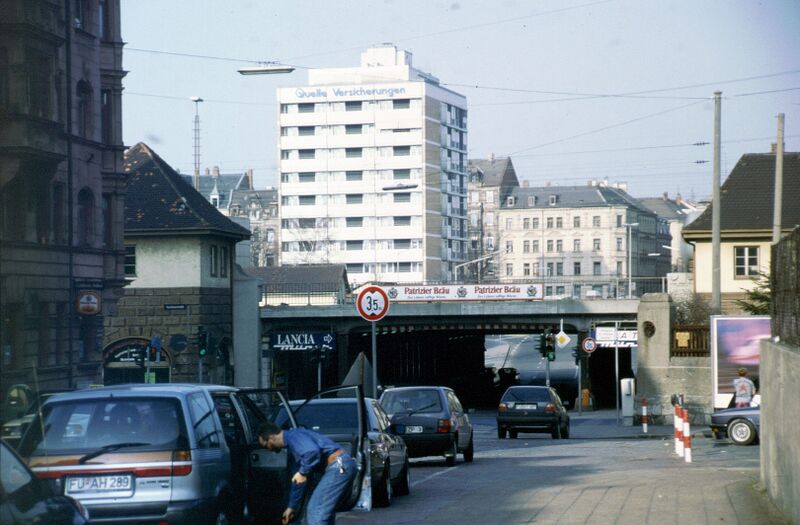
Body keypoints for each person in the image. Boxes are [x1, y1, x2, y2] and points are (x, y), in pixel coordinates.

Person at [257, 421, 357, 525]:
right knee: (324, 512)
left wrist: (303, 472)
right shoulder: (293, 449)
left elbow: (312, 451)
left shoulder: (294, 436)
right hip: (338, 467)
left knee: (316, 510)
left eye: (266, 445)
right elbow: (298, 482)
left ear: (271, 437)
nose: (268, 449)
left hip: (338, 466)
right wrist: (292, 507)